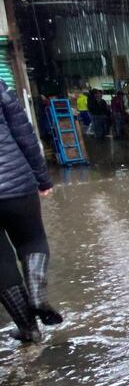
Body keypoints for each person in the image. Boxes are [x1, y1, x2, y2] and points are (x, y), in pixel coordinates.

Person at [0, 81, 64, 343]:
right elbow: (24, 135)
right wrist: (42, 178)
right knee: (32, 240)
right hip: (16, 181)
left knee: (1, 262)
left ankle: (28, 328)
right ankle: (37, 295)